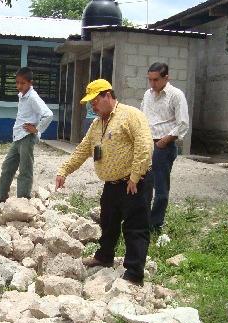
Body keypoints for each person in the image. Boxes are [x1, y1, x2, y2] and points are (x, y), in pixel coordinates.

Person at [55, 79, 153, 286]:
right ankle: (104, 256)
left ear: (107, 95)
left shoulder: (131, 115)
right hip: (112, 184)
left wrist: (135, 176)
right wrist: (64, 170)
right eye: (90, 102)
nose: (92, 106)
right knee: (108, 222)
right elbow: (83, 150)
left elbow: (144, 146)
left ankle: (134, 273)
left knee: (135, 227)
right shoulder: (97, 124)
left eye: (95, 101)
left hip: (134, 182)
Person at [0, 67, 53, 203]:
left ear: (30, 83)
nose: (19, 86)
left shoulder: (33, 97)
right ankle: (1, 196)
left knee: (25, 169)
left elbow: (48, 114)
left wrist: (36, 129)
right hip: (18, 137)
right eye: (17, 83)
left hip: (27, 138)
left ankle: (23, 200)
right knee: (7, 166)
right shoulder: (22, 96)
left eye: (22, 83)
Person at [141, 62, 189, 233]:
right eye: (149, 80)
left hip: (163, 146)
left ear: (166, 78)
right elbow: (142, 116)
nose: (152, 84)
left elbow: (183, 123)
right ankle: (142, 221)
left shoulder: (176, 95)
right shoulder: (148, 94)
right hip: (146, 143)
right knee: (143, 183)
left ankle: (155, 224)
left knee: (160, 187)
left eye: (156, 80)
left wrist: (165, 140)